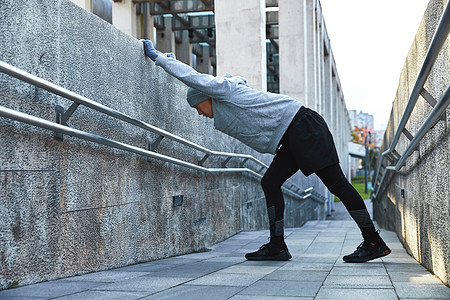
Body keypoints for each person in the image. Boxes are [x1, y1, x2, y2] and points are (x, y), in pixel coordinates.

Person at [141, 40, 391, 263]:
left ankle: (373, 242)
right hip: (290, 136)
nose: (198, 112)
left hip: (302, 127)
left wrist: (160, 60)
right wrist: (171, 60)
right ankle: (277, 245)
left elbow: (194, 77)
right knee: (270, 182)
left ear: (207, 95)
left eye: (197, 105)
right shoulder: (225, 100)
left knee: (336, 184)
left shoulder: (223, 91)